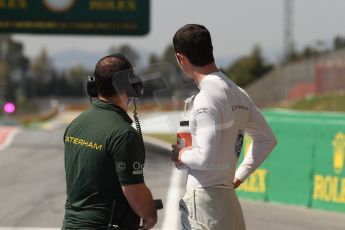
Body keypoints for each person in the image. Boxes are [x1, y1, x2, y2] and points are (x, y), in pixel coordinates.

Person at [171, 24, 277, 230]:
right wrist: (239, 176)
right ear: (210, 49)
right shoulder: (238, 92)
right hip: (228, 200)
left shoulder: (205, 97)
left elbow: (204, 157)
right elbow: (267, 139)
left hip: (204, 202)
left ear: (181, 58)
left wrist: (181, 153)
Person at [62, 54, 157, 230]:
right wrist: (150, 215)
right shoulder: (124, 134)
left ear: (93, 86)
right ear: (129, 86)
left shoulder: (75, 125)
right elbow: (133, 192)